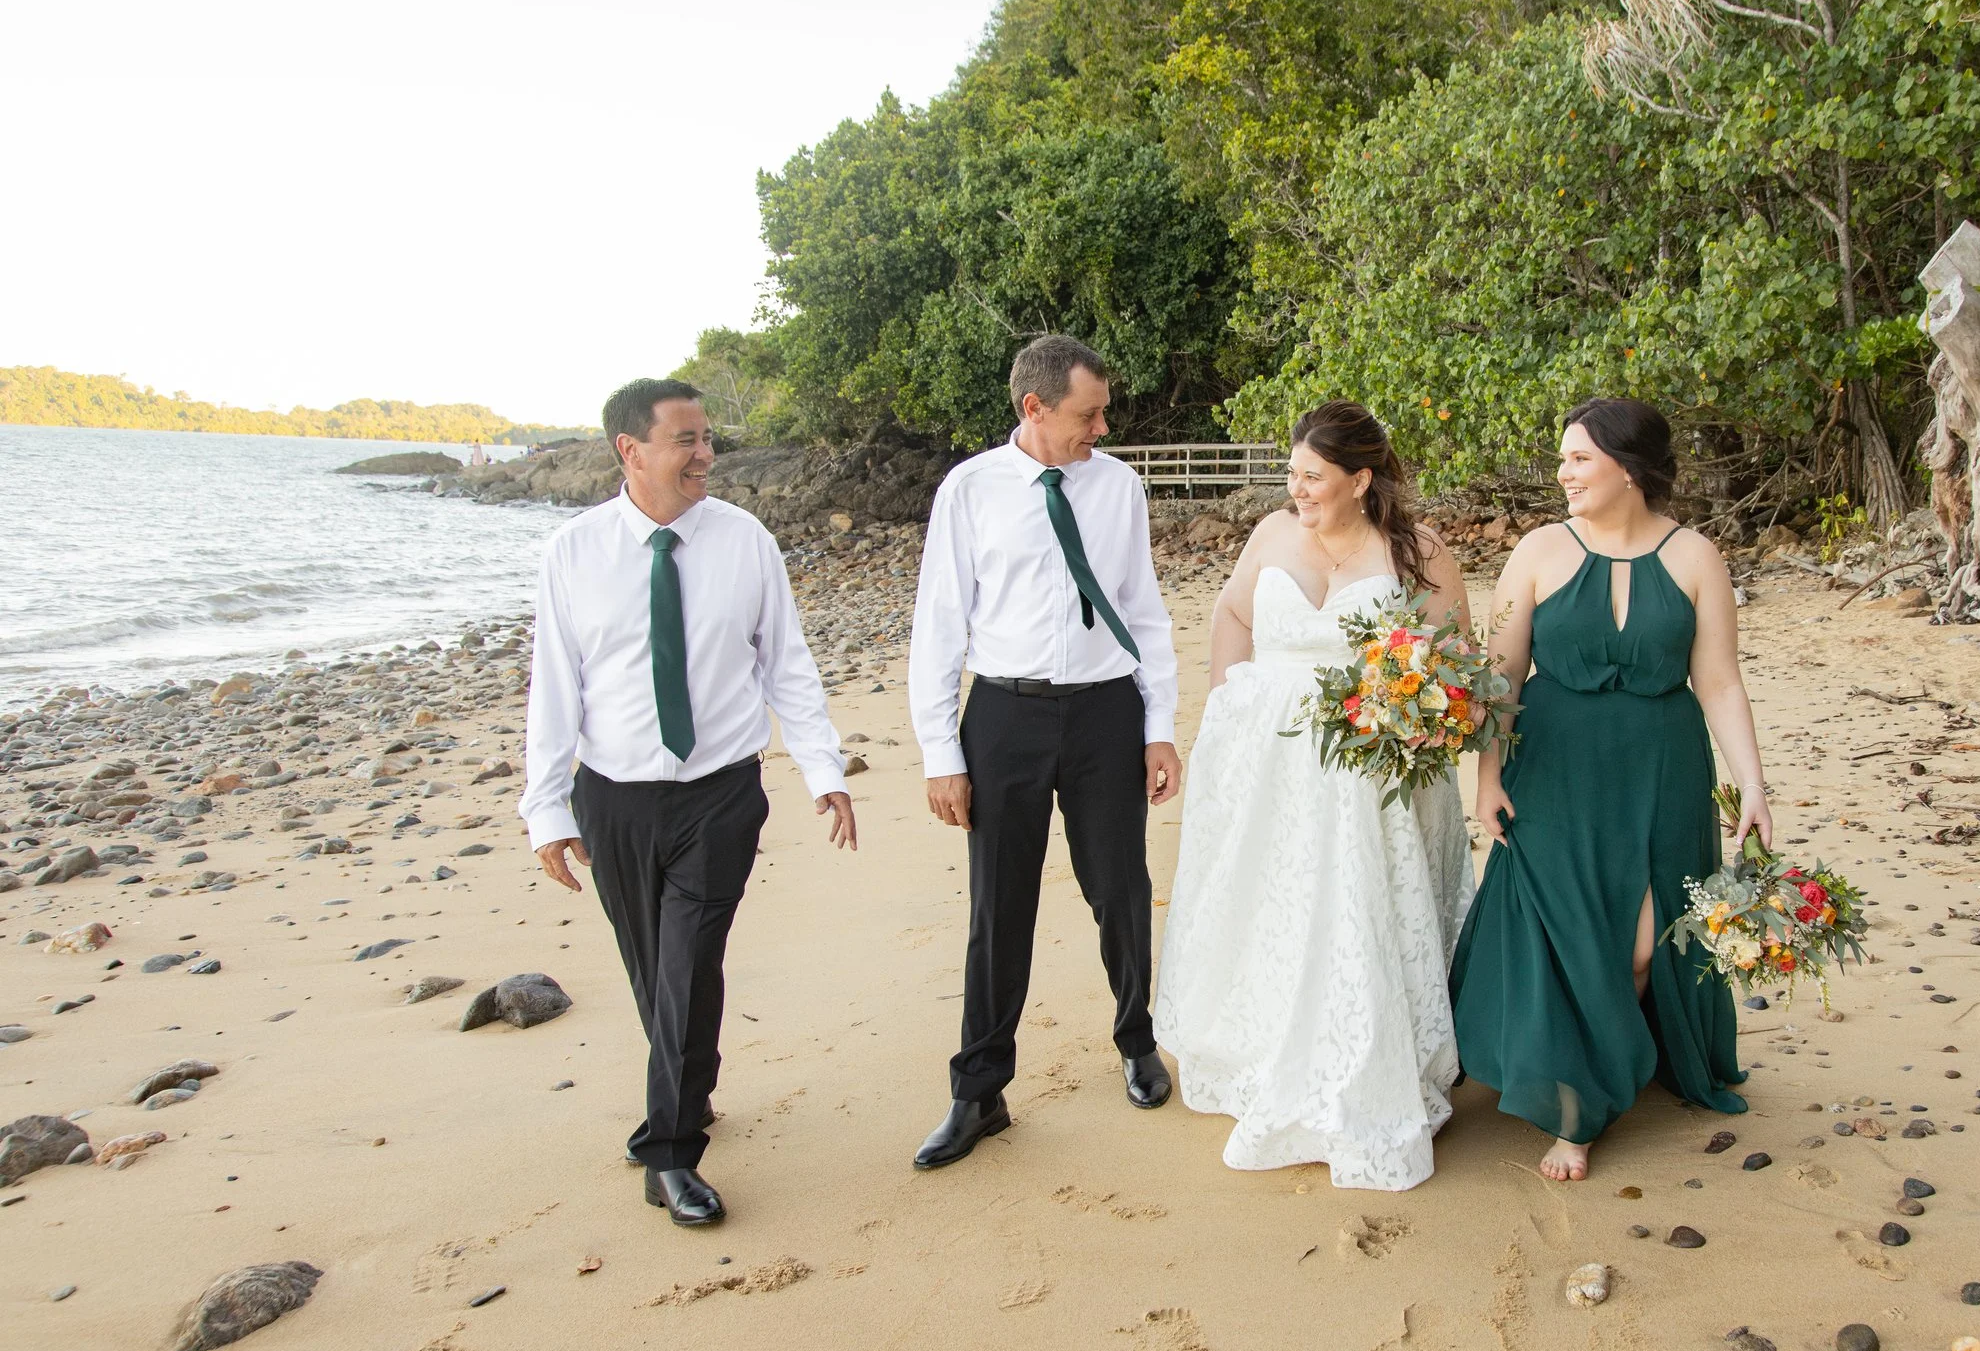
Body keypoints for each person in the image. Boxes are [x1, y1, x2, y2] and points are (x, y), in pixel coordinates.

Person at [521, 378, 858, 1226]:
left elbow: (788, 664)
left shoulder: (747, 543)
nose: (705, 454)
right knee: (654, 972)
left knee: (686, 963)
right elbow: (555, 688)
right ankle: (690, 1087)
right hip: (614, 801)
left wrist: (824, 770)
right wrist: (547, 809)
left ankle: (669, 1152)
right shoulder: (573, 552)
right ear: (630, 451)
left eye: (708, 438)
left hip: (719, 794)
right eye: (686, 439)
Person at [1449, 398, 1771, 1182]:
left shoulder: (1697, 556)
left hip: (1662, 771)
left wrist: (1754, 786)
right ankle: (1576, 1112)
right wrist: (1487, 777)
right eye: (1563, 459)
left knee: (1639, 948)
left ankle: (1620, 1058)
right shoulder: (1536, 551)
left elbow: (1720, 681)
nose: (1564, 473)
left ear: (1629, 467)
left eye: (1579, 458)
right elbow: (1500, 677)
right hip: (1554, 768)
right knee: (1570, 937)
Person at [1156, 403, 1474, 1190]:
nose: (1296, 489)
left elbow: (1456, 669)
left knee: (1353, 916)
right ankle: (1270, 1051)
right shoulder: (1270, 535)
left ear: (1360, 480)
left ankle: (1364, 1067)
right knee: (1279, 910)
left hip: (1372, 781)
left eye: (1313, 477)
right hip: (1270, 770)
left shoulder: (1417, 552)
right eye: (1292, 473)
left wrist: (1411, 726)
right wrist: (1229, 704)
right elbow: (1232, 614)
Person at [907, 335, 1183, 1169]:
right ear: (1035, 408)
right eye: (1087, 413)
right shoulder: (970, 490)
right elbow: (938, 624)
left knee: (1121, 888)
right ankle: (978, 1090)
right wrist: (938, 752)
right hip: (1003, 715)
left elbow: (1143, 607)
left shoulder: (1118, 486)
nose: (1102, 425)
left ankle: (1138, 1041)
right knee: (999, 905)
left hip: (1104, 712)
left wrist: (1157, 721)